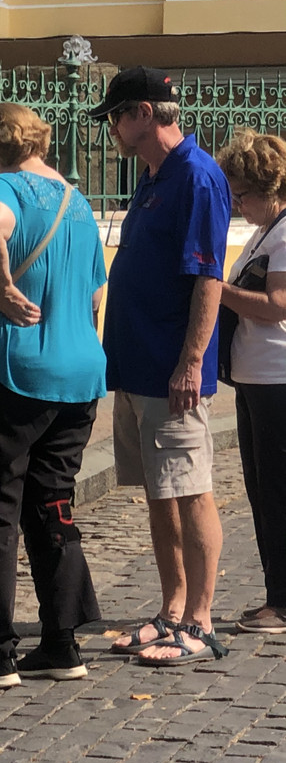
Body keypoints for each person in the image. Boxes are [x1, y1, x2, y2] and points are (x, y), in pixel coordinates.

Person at [0, 103, 107, 689]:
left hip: (8, 369)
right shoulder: (78, 203)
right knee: (53, 504)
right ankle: (62, 643)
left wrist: (3, 288)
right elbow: (92, 296)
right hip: (77, 376)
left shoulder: (4, 187)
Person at [95, 67, 232, 666]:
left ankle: (199, 621)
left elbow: (208, 276)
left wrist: (191, 363)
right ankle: (170, 609)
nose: (112, 131)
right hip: (138, 364)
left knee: (192, 489)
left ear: (144, 113)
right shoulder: (153, 177)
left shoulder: (197, 177)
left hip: (171, 368)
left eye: (116, 117)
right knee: (159, 491)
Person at [215, 129, 286, 634]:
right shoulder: (265, 232)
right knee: (262, 488)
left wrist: (217, 291)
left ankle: (283, 601)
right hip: (254, 378)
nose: (237, 203)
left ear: (269, 187)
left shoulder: (284, 234)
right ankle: (275, 592)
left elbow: (278, 306)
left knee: (277, 490)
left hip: (277, 377)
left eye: (241, 194)